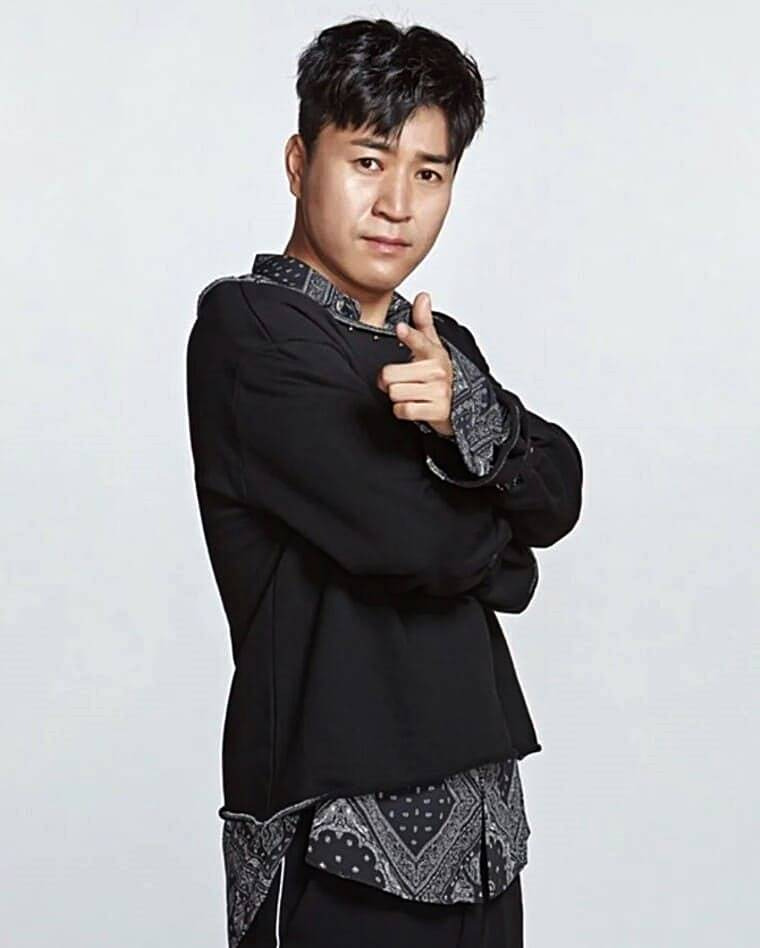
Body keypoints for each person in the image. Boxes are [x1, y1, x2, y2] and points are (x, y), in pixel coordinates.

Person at [186, 17, 583, 948]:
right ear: (300, 162)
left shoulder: (436, 345)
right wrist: (507, 549)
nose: (397, 203)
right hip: (337, 836)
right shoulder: (252, 332)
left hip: (482, 832)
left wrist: (468, 414)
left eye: (429, 173)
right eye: (368, 161)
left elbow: (560, 488)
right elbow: (416, 541)